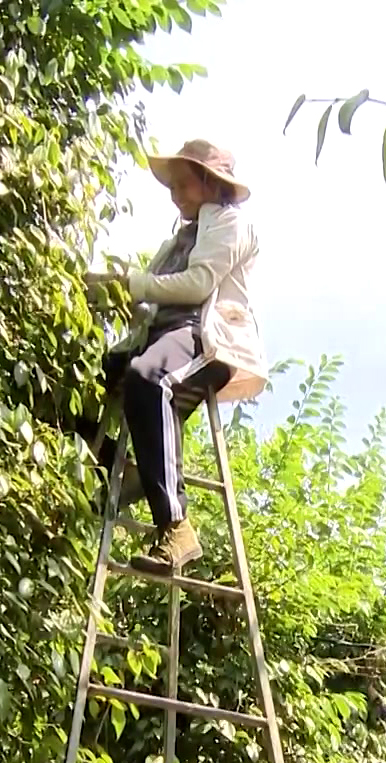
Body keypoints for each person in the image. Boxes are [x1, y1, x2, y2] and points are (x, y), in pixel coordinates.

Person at [81, 139, 267, 575]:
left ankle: (176, 527)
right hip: (163, 334)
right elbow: (151, 301)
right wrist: (112, 289)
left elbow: (199, 284)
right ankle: (122, 467)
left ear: (211, 183)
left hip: (206, 339)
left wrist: (137, 285)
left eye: (183, 184)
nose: (175, 194)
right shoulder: (177, 241)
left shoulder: (229, 223)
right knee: (75, 382)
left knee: (149, 379)